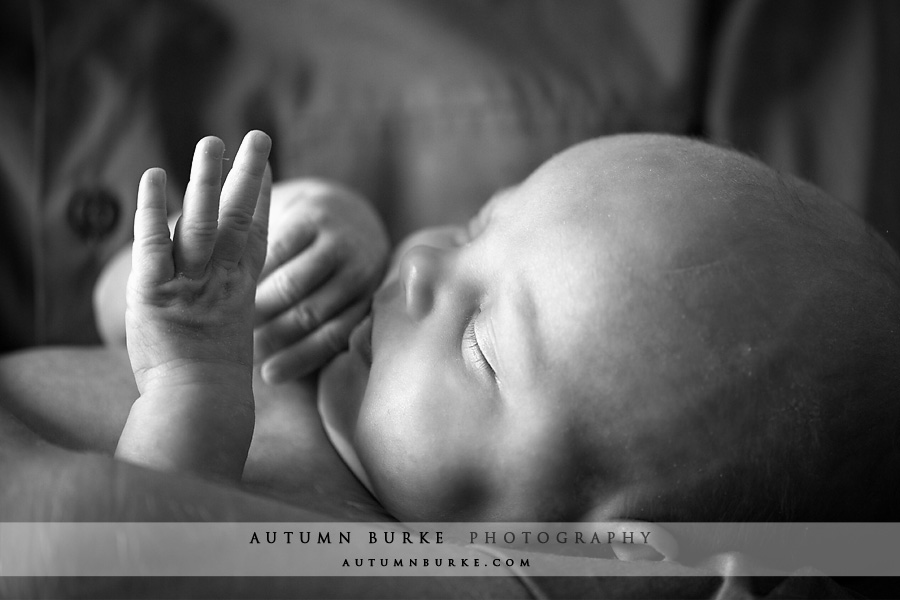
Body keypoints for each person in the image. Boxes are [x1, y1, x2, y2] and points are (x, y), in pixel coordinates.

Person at [110, 128, 900, 525]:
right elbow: (113, 315)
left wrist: (189, 391)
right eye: (476, 225)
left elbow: (118, 566)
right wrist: (248, 256)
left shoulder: (361, 562)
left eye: (480, 346)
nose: (419, 265)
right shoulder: (341, 325)